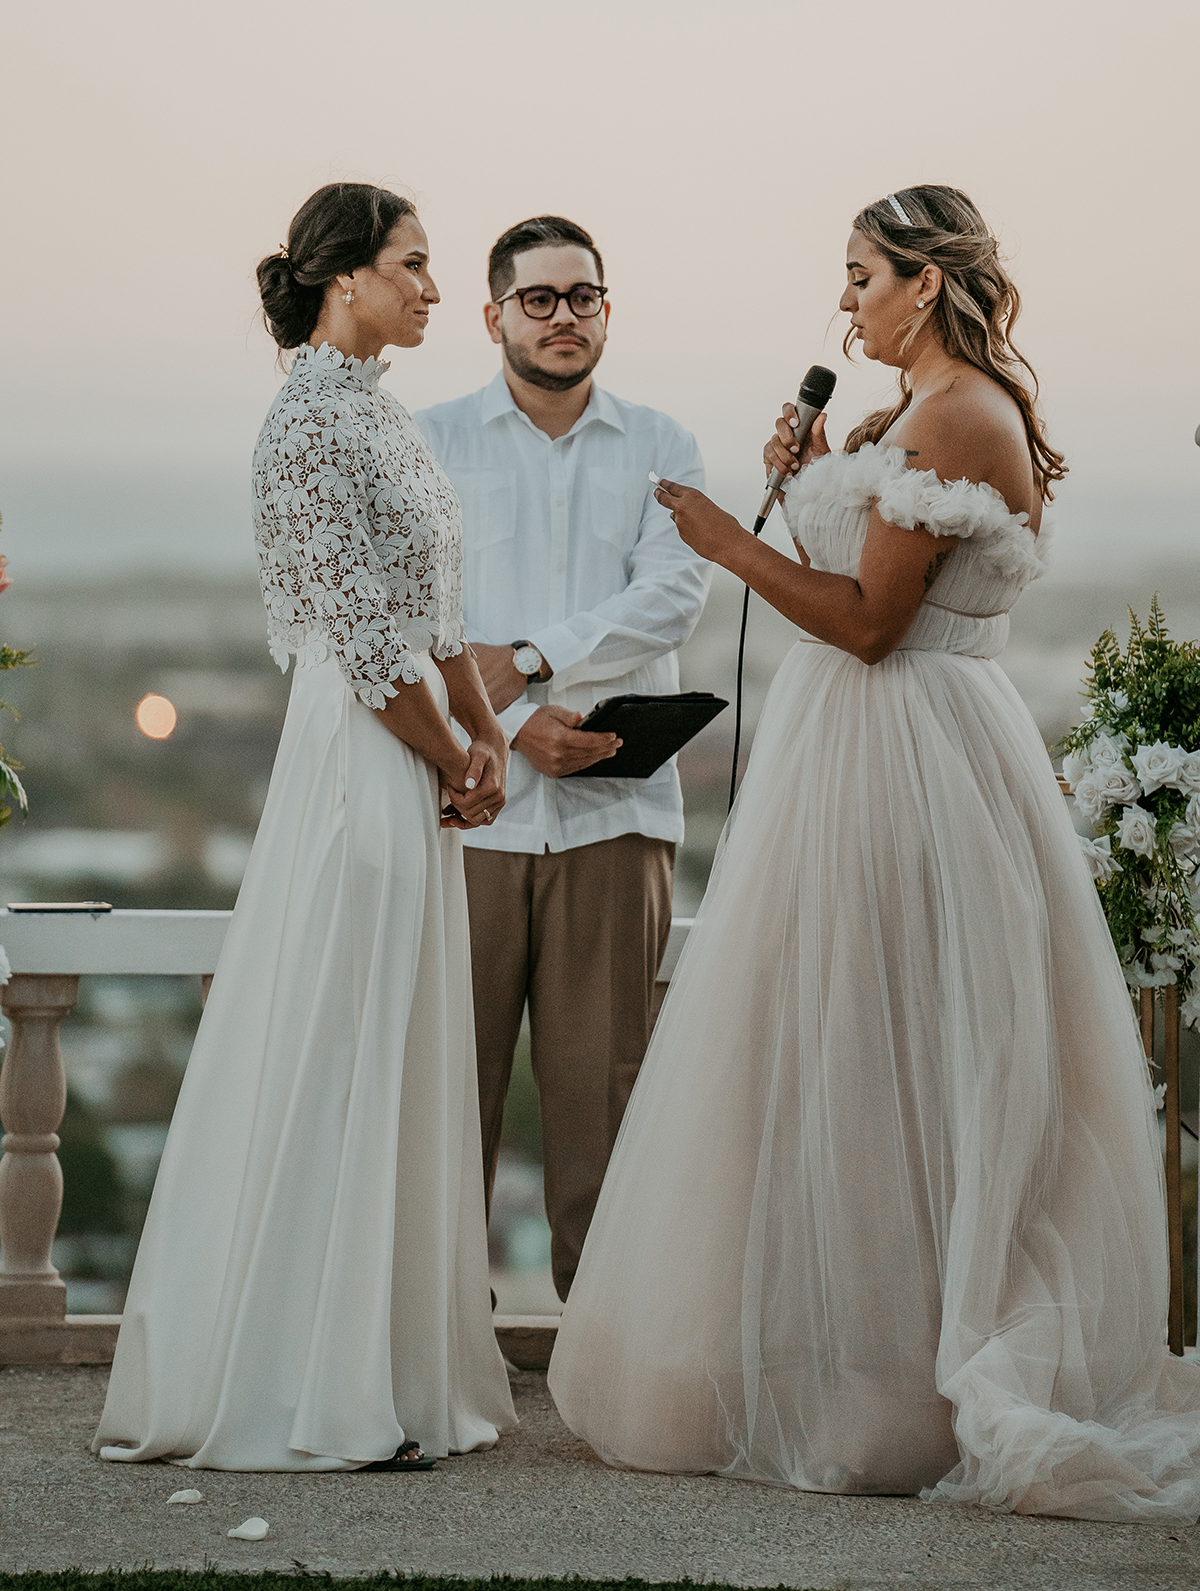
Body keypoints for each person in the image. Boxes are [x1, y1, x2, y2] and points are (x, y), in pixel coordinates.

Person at [549, 185, 1200, 1522]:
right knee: (843, 1049)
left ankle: (905, 1383)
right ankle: (850, 1359)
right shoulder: (915, 413)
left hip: (911, 756)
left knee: (906, 1044)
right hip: (862, 752)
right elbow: (851, 585)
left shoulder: (962, 415)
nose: (842, 301)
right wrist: (796, 496)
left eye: (859, 276)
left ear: (923, 281)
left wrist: (730, 543)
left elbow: (867, 628)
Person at [94, 183, 515, 1472]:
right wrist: (452, 751)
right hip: (357, 756)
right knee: (341, 1033)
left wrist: (485, 730)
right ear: (345, 279)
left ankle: (385, 1366)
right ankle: (310, 1380)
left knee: (393, 1039)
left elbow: (435, 617)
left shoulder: (382, 418)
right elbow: (363, 643)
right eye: (416, 265)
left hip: (418, 747)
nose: (437, 289)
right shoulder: (306, 429)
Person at [416, 215, 711, 1301]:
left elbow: (671, 595)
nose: (562, 317)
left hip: (612, 813)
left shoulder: (662, 443)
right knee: (450, 1098)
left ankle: (608, 1362)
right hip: (464, 810)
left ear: (606, 310)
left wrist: (532, 670)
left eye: (581, 296)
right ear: (493, 314)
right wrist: (501, 727)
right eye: (538, 299)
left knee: (606, 1104)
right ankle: (441, 1345)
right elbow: (414, 609)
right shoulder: (430, 439)